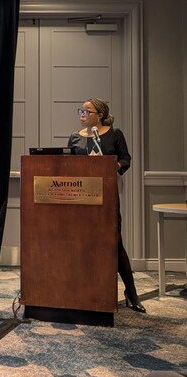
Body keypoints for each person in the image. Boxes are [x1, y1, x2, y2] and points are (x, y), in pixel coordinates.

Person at [67, 98, 146, 313]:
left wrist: (114, 165)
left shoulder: (114, 134)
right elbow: (68, 166)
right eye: (80, 111)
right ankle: (84, 290)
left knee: (114, 243)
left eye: (86, 111)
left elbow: (126, 160)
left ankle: (131, 292)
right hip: (80, 199)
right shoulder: (75, 138)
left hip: (107, 198)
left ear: (99, 114)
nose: (82, 114)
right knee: (83, 244)